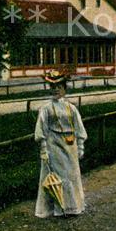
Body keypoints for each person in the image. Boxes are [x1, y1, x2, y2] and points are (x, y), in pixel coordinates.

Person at [34, 70, 87, 218]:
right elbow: (41, 130)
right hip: (54, 145)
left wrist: (80, 145)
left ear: (65, 88)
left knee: (72, 175)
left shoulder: (71, 108)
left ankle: (72, 206)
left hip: (70, 146)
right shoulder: (46, 109)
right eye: (53, 87)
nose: (56, 89)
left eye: (59, 86)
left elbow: (79, 127)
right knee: (57, 176)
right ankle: (57, 208)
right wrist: (44, 149)